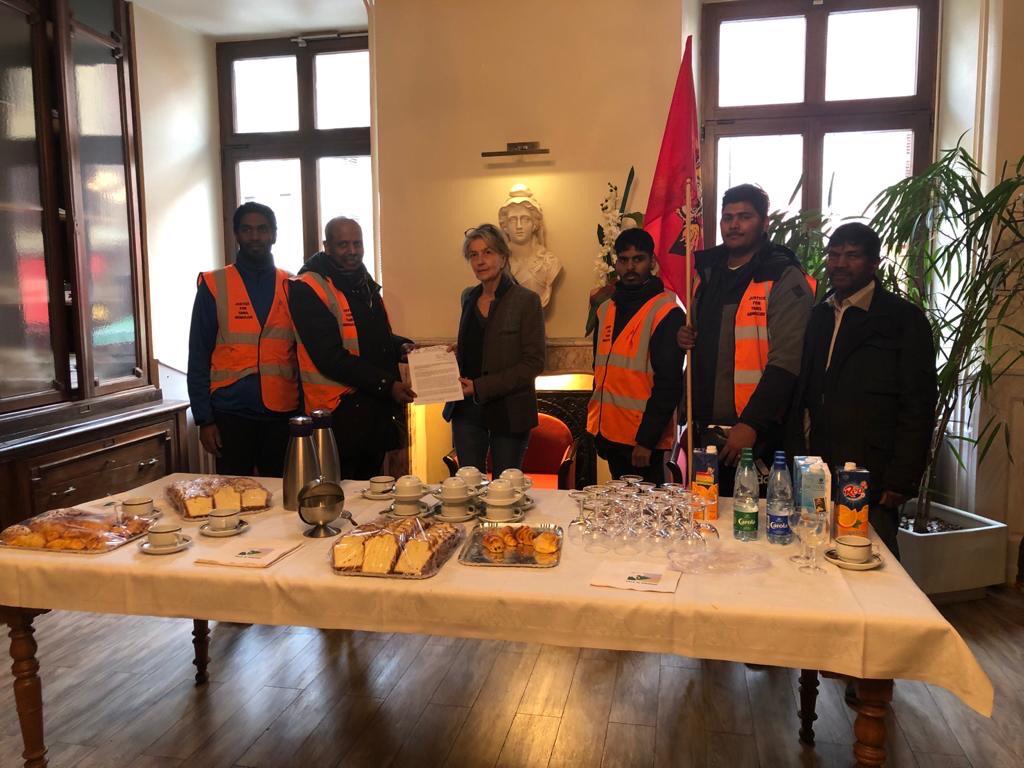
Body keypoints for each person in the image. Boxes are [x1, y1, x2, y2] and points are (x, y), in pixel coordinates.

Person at [788, 223, 936, 557]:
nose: (840, 264)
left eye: (852, 256)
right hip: (818, 468)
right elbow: (805, 393)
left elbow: (919, 404)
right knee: (812, 554)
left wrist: (902, 479)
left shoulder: (902, 319)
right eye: (834, 255)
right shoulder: (819, 315)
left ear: (873, 263)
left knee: (873, 561)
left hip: (873, 471)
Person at [677, 184, 814, 495]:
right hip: (705, 430)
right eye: (727, 218)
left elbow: (787, 361)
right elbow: (703, 335)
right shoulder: (707, 273)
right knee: (706, 517)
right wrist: (684, 335)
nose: (734, 225)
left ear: (764, 223)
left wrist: (751, 423)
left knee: (753, 521)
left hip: (757, 434)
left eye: (745, 217)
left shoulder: (782, 275)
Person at [288, 217, 416, 480]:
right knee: (341, 491)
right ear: (327, 246)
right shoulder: (308, 287)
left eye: (357, 243)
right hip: (336, 416)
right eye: (343, 244)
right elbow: (329, 356)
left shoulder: (363, 282)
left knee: (373, 492)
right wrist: (388, 385)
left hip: (373, 411)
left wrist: (402, 347)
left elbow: (372, 338)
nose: (352, 251)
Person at [187, 202, 299, 476]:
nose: (255, 236)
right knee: (232, 495)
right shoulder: (214, 284)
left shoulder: (292, 284)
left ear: (274, 234)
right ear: (236, 235)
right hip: (231, 413)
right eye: (247, 230)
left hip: (281, 413)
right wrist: (204, 419)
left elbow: (304, 353)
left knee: (282, 493)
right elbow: (198, 354)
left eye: (262, 229)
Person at [443, 223, 546, 476]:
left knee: (505, 489)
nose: (480, 261)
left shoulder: (526, 300)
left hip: (509, 410)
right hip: (466, 410)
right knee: (468, 486)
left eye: (487, 252)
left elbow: (533, 363)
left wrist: (480, 387)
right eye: (473, 255)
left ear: (503, 257)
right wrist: (448, 355)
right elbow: (480, 344)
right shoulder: (468, 297)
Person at [588, 228, 684, 483]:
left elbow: (669, 384)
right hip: (610, 435)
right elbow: (600, 373)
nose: (630, 267)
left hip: (643, 443)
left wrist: (646, 440)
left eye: (638, 259)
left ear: (651, 262)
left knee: (647, 507)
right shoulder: (605, 310)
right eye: (624, 260)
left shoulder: (666, 312)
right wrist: (598, 431)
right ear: (616, 263)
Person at [498, 184, 562, 308]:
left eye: (525, 219)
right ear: (505, 226)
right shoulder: (499, 264)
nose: (519, 226)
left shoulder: (550, 263)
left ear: (534, 224)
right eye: (513, 220)